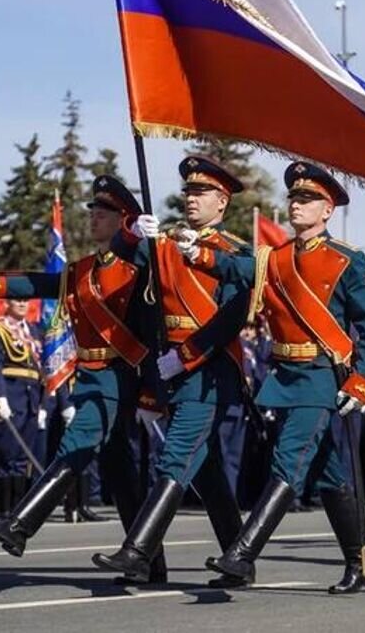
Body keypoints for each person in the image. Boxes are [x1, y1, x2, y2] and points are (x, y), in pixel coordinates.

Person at [186, 161, 365, 592]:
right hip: (285, 376)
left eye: (307, 199)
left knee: (289, 463)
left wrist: (363, 380)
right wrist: (195, 251)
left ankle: (241, 554)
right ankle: (362, 562)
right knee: (328, 475)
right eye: (294, 198)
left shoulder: (346, 260)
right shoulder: (273, 259)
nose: (296, 205)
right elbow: (236, 270)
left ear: (328, 210)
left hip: (319, 377)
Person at [0, 175, 164, 577]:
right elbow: (38, 283)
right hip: (91, 375)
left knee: (76, 445)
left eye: (105, 211)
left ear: (125, 220)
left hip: (119, 376)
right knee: (121, 472)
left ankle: (20, 524)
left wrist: (138, 240)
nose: (95, 216)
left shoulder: (137, 267)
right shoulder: (82, 270)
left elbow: (153, 306)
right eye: (93, 210)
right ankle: (149, 561)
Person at [90, 156, 254, 585]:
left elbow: (231, 320)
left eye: (201, 193)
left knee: (176, 456)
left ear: (222, 202)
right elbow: (121, 252)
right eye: (188, 192)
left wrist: (184, 357)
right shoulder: (163, 245)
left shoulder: (235, 252)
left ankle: (137, 551)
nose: (191, 199)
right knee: (206, 469)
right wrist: (133, 231)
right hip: (171, 371)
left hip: (209, 370)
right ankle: (240, 557)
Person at [0, 298, 45, 517]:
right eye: (17, 300)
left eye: (25, 300)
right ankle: (4, 511)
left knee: (22, 460)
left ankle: (18, 512)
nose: (22, 304)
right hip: (11, 396)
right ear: (7, 303)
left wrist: (44, 403)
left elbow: (40, 368)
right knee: (7, 457)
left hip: (31, 398)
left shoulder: (33, 330)